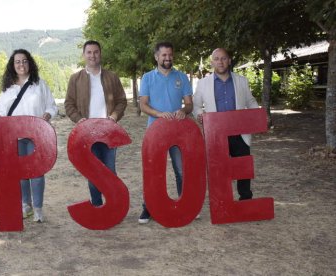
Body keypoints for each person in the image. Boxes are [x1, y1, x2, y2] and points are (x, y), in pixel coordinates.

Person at [0, 49, 58, 222]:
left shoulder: (39, 84)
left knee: (37, 172)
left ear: (30, 63)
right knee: (19, 173)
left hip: (36, 134)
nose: (21, 64)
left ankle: (38, 208)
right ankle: (25, 205)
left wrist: (48, 115)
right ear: (13, 65)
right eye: (17, 62)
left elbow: (52, 106)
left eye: (24, 61)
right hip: (14, 138)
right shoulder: (8, 88)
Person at [64, 40, 127, 207]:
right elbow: (69, 104)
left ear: (100, 54)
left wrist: (113, 116)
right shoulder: (75, 79)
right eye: (89, 52)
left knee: (110, 171)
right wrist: (79, 120)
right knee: (93, 172)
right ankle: (97, 206)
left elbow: (121, 101)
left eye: (96, 52)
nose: (93, 55)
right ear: (84, 55)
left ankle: (113, 206)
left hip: (108, 132)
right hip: (87, 134)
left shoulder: (111, 77)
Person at [193, 48, 259, 201]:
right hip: (216, 135)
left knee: (242, 167)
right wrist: (199, 115)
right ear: (212, 62)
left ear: (229, 60)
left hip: (240, 133)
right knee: (218, 169)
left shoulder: (242, 81)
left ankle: (245, 199)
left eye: (223, 58)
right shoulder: (203, 84)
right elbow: (196, 106)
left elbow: (250, 101)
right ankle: (221, 200)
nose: (220, 62)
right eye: (216, 59)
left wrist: (259, 116)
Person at [138, 41, 193, 224]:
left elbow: (189, 104)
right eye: (164, 55)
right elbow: (143, 105)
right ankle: (148, 208)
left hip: (178, 132)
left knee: (181, 170)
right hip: (155, 132)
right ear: (156, 57)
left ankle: (185, 205)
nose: (167, 58)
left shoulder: (182, 77)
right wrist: (160, 114)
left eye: (170, 55)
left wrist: (183, 111)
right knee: (152, 171)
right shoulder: (147, 78)